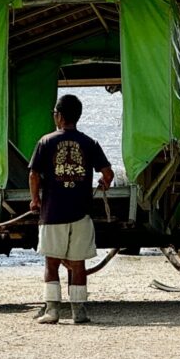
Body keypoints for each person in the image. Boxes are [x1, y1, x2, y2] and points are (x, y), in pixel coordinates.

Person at [29, 94, 114, 324]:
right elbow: (108, 174)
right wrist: (103, 184)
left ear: (59, 116)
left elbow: (34, 174)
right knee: (78, 264)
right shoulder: (89, 142)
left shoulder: (45, 142)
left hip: (52, 213)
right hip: (81, 213)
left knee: (51, 262)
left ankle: (53, 311)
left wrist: (35, 200)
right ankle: (79, 312)